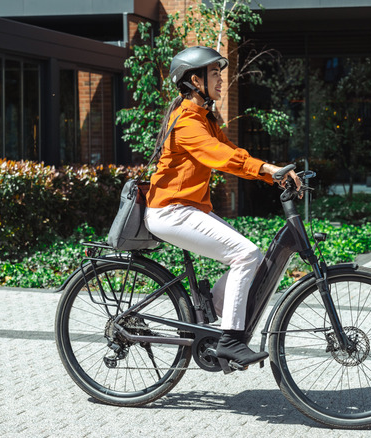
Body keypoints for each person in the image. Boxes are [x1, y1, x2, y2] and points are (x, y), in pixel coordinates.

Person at [144, 46, 300, 369]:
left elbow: (233, 152)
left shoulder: (205, 118)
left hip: (188, 208)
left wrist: (271, 173)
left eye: (219, 72)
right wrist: (269, 171)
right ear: (195, 80)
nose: (220, 79)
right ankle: (229, 340)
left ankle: (215, 309)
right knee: (246, 255)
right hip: (170, 211)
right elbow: (222, 157)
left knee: (254, 259)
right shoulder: (187, 121)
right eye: (214, 73)